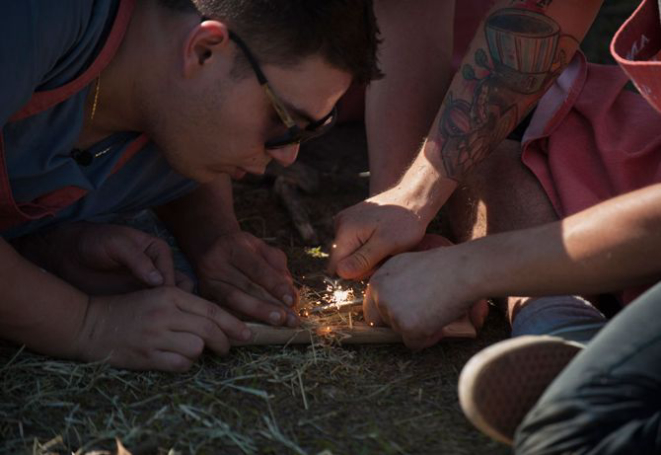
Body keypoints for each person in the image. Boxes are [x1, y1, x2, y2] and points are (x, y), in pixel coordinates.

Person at [0, 0, 381, 371]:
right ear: (203, 51)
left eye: (314, 130)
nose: (287, 157)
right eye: (282, 119)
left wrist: (212, 236)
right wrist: (88, 324)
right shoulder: (35, 16)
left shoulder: (172, 108)